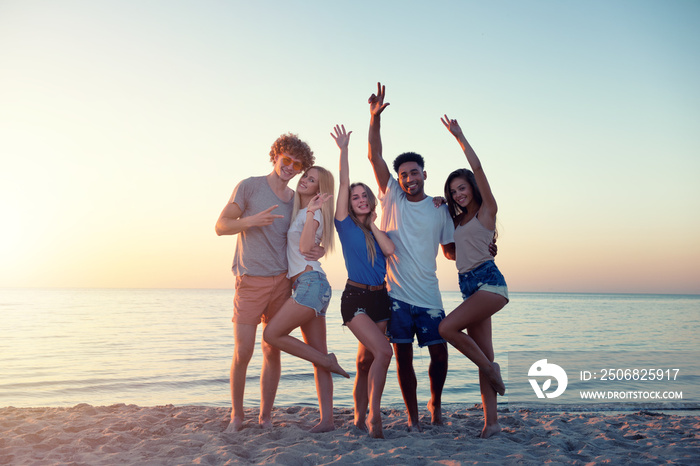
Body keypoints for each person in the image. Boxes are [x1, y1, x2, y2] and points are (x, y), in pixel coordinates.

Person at [215, 133, 322, 433]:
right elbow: (221, 226)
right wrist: (250, 221)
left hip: (282, 282)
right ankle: (237, 416)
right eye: (286, 160)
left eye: (297, 164)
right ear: (276, 156)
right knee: (244, 351)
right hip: (249, 280)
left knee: (271, 349)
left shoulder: (296, 199)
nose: (290, 167)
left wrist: (319, 248)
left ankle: (265, 417)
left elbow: (305, 234)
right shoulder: (249, 186)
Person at [366, 83, 455, 431]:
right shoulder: (392, 198)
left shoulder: (440, 209)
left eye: (413, 172)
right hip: (397, 295)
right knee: (402, 359)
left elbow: (449, 252)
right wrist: (374, 120)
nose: (408, 178)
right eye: (403, 174)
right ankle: (413, 417)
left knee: (440, 354)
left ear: (424, 174)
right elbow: (374, 156)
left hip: (429, 295)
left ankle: (436, 404)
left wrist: (482, 247)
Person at [263, 165, 349, 433]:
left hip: (310, 285)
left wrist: (312, 212)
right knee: (317, 353)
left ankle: (327, 361)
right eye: (306, 177)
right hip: (312, 286)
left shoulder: (313, 215)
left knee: (272, 334)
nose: (305, 181)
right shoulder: (302, 213)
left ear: (319, 191)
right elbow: (309, 247)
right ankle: (327, 420)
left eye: (312, 180)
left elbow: (302, 248)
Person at [438, 115, 508, 439]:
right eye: (453, 191)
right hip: (469, 288)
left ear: (472, 188)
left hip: (489, 284)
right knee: (484, 354)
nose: (458, 194)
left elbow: (479, 169)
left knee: (446, 327)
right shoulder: (459, 221)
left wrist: (460, 137)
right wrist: (441, 208)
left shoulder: (486, 211)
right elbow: (452, 255)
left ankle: (492, 371)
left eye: (461, 188)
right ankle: (491, 423)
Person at [331, 124, 395, 438]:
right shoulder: (343, 224)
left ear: (371, 200)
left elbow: (390, 250)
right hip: (355, 299)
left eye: (363, 196)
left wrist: (373, 223)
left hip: (380, 299)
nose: (358, 199)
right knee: (385, 353)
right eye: (354, 197)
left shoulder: (375, 230)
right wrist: (343, 150)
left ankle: (358, 415)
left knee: (365, 361)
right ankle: (374, 415)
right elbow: (343, 182)